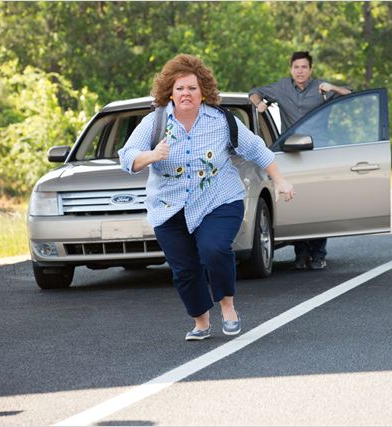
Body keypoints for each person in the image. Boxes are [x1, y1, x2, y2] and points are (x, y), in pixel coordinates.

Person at [119, 54, 294, 341]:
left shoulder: (222, 121)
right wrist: (152, 155)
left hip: (219, 199)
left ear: (203, 93)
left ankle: (227, 307)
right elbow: (127, 157)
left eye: (192, 88)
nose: (186, 94)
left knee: (214, 249)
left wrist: (281, 179)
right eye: (179, 89)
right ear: (170, 93)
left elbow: (256, 149)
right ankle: (201, 321)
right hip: (169, 206)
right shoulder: (154, 122)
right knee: (184, 270)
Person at [249, 51, 351, 271]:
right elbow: (254, 93)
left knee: (319, 203)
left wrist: (331, 87)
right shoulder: (282, 87)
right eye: (296, 67)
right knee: (296, 202)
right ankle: (301, 252)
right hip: (292, 153)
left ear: (310, 70)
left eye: (304, 67)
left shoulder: (320, 88)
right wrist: (259, 104)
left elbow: (349, 94)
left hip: (318, 152)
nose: (300, 71)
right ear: (291, 69)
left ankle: (318, 254)